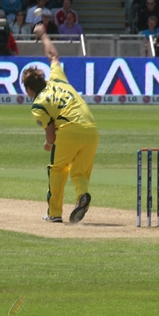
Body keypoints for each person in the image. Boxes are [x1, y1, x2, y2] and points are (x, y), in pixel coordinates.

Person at [22, 22, 99, 224]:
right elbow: (53, 56)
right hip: (91, 128)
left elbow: (51, 136)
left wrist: (48, 145)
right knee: (79, 172)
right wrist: (43, 34)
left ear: (30, 88)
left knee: (57, 169)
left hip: (68, 129)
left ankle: (54, 213)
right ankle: (82, 195)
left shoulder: (38, 104)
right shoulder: (57, 79)